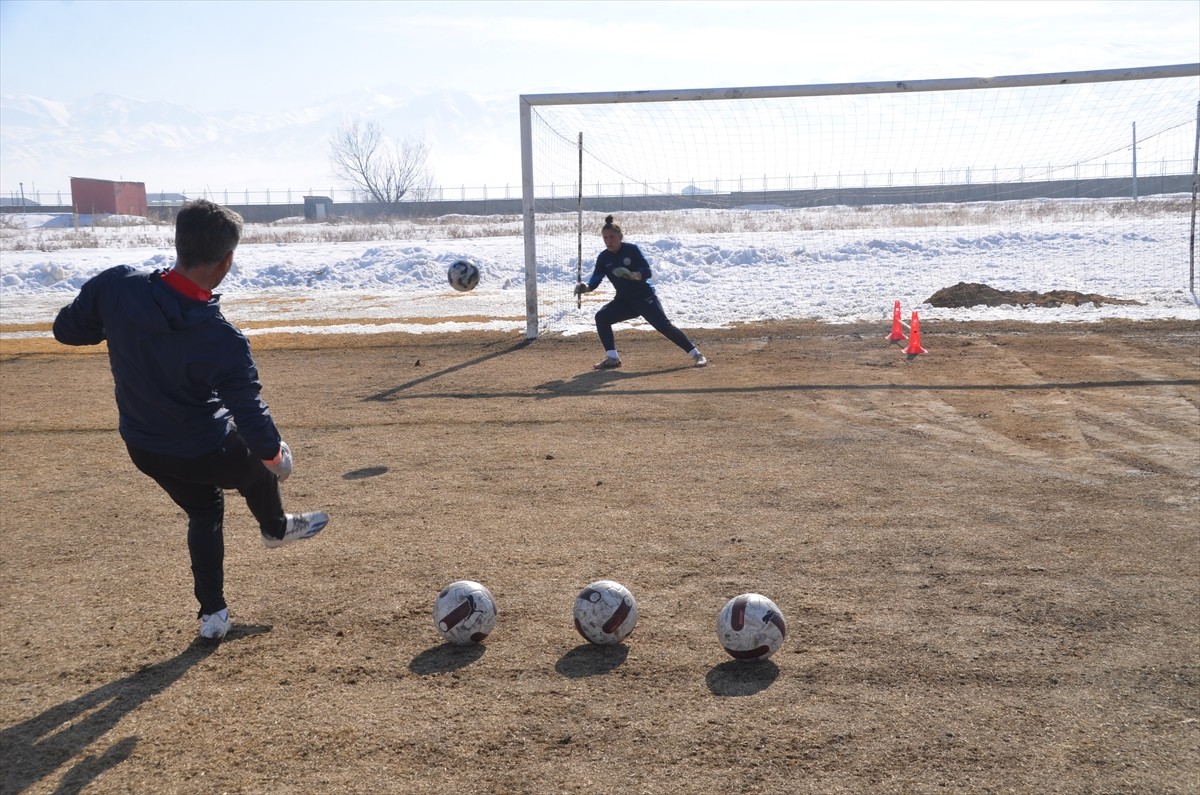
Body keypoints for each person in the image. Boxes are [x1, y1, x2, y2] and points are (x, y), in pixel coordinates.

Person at [52, 198, 328, 641]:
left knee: (204, 510)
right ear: (226, 261)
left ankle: (213, 617)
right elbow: (253, 419)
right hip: (201, 449)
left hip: (144, 448)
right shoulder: (222, 339)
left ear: (178, 243)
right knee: (256, 463)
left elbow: (66, 330)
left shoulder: (117, 286)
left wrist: (120, 321)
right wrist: (278, 459)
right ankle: (275, 528)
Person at [575, 214, 707, 370]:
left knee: (663, 326)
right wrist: (587, 287)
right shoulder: (603, 257)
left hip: (644, 297)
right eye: (605, 238)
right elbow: (596, 278)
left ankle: (697, 354)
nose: (608, 241)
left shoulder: (631, 250)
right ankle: (612, 358)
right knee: (602, 317)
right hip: (624, 300)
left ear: (620, 236)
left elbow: (647, 271)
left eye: (612, 237)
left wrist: (634, 275)